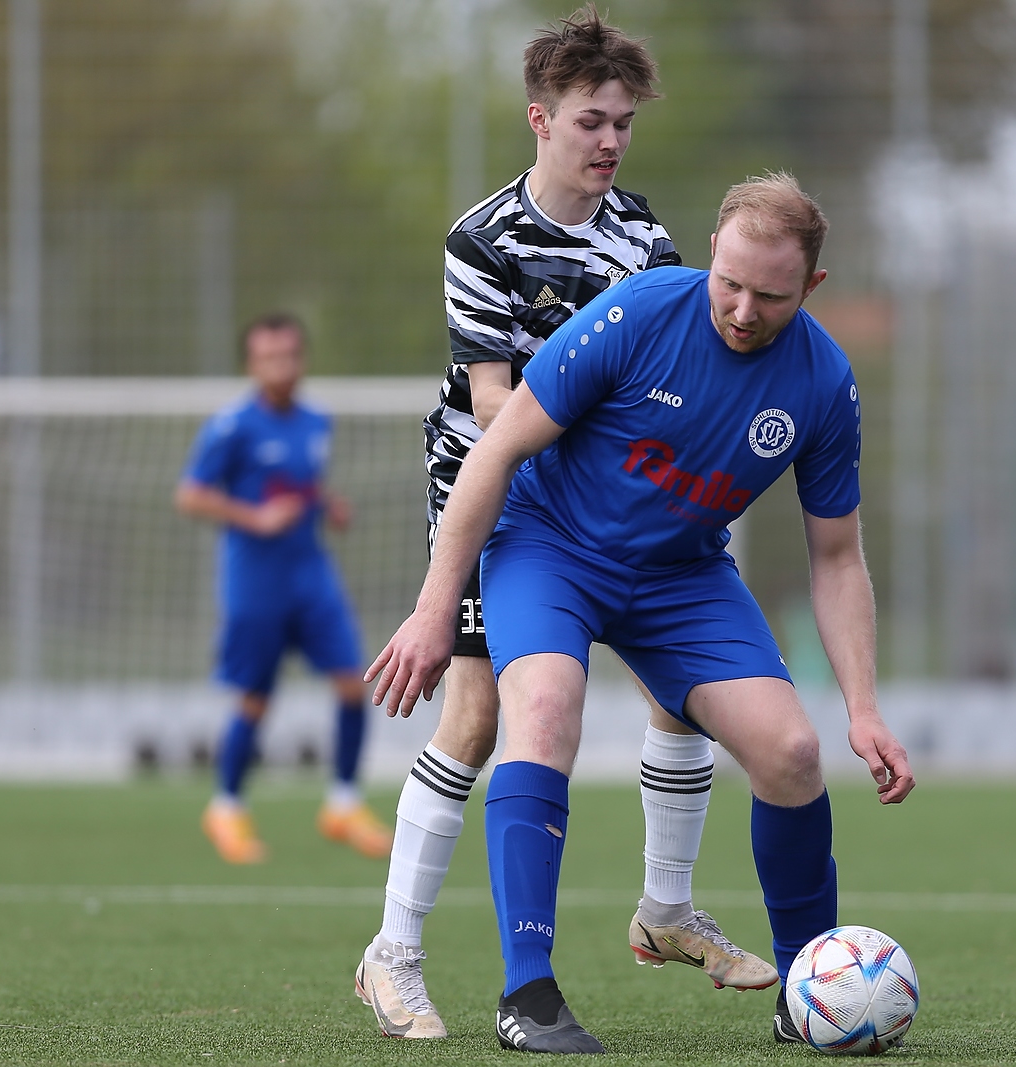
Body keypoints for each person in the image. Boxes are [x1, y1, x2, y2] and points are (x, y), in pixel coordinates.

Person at [367, 173, 916, 1054]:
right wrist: (437, 607)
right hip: (549, 544)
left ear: (810, 288)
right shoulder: (639, 312)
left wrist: (863, 709)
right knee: (541, 712)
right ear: (710, 255)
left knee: (793, 752)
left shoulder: (821, 381)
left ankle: (807, 986)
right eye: (728, 282)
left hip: (679, 576)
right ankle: (528, 994)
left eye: (769, 295)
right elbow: (497, 444)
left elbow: (838, 555)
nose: (741, 309)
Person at [352, 5, 773, 1043]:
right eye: (591, 119)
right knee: (479, 717)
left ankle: (666, 908)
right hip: (502, 494)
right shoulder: (481, 238)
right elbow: (496, 405)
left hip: (618, 496)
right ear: (540, 119)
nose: (610, 140)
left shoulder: (644, 235)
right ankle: (391, 953)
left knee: (688, 692)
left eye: (623, 121)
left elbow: (671, 373)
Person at [176, 313, 391, 865]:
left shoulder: (317, 421)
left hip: (312, 574)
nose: (282, 367)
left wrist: (329, 506)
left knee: (352, 682)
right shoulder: (231, 427)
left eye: (290, 356)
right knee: (255, 697)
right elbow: (192, 495)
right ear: (252, 364)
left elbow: (304, 485)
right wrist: (254, 517)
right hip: (256, 582)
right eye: (269, 358)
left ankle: (342, 803)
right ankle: (226, 808)